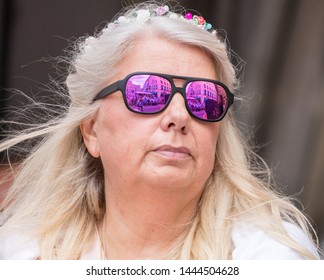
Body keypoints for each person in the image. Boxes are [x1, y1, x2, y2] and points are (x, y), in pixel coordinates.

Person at [0, 1, 320, 260]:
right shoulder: (23, 254)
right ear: (91, 131)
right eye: (147, 93)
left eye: (204, 98)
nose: (179, 116)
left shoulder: (271, 256)